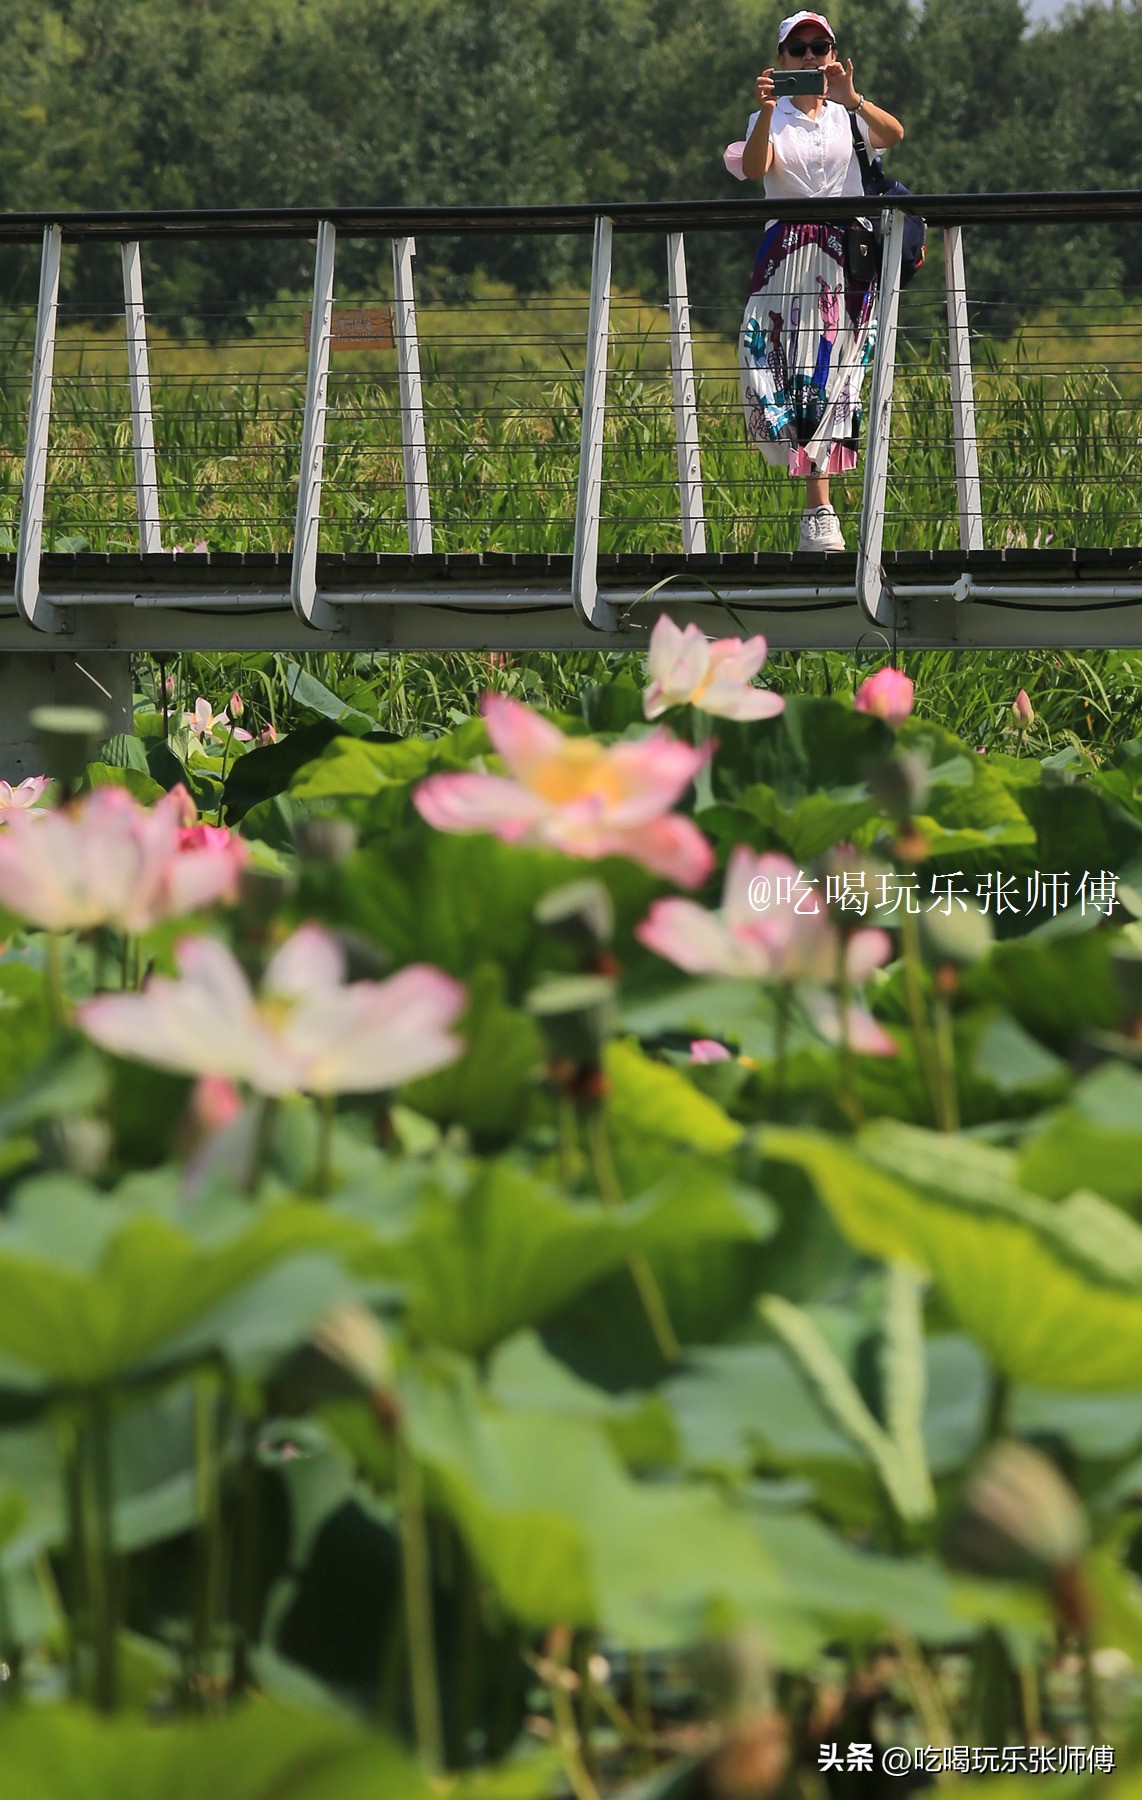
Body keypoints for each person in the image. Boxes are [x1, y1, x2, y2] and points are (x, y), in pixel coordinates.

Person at [724, 12, 905, 552]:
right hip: (786, 259)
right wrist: (761, 112)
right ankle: (815, 503)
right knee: (768, 363)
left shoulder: (848, 118)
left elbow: (894, 134)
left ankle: (818, 510)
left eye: (818, 47)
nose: (809, 59)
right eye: (798, 50)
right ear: (781, 60)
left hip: (842, 261)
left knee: (830, 377)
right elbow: (756, 168)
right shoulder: (773, 118)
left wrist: (852, 98)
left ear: (831, 53)